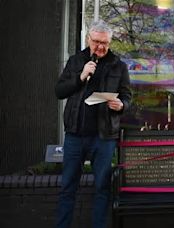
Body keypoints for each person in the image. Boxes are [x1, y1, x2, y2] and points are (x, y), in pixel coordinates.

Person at [55, 20, 131, 228]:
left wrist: (121, 105)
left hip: (103, 137)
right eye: (96, 41)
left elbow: (127, 98)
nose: (100, 47)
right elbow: (59, 91)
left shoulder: (119, 66)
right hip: (75, 135)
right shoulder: (76, 61)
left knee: (102, 188)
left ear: (110, 42)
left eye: (104, 43)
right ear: (88, 38)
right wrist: (80, 76)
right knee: (67, 187)